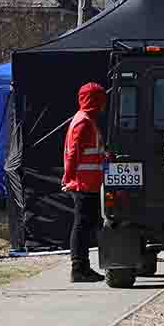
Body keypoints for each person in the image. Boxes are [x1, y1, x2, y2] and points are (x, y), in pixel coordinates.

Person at [62, 81, 109, 283]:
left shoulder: (86, 119)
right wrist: (69, 177)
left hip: (89, 183)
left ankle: (84, 267)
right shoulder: (84, 122)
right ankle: (79, 268)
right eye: (100, 99)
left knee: (87, 225)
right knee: (82, 226)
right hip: (83, 184)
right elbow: (74, 153)